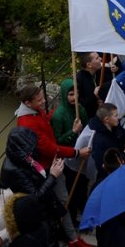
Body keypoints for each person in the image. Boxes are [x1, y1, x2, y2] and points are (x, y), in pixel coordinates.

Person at [14, 84, 93, 247]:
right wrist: (77, 152)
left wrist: (56, 114)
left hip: (51, 164)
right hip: (46, 168)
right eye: (40, 100)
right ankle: (71, 239)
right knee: (61, 200)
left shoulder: (35, 113)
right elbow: (48, 147)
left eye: (43, 97)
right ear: (27, 102)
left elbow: (46, 123)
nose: (44, 101)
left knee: (61, 200)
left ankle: (68, 235)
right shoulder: (27, 123)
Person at [50, 79, 88, 223]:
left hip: (81, 155)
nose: (74, 97)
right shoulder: (58, 115)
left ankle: (82, 212)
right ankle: (71, 219)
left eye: (76, 93)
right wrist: (73, 132)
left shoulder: (81, 109)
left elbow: (85, 130)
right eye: (71, 94)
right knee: (70, 190)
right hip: (67, 159)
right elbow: (57, 141)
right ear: (65, 95)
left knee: (82, 186)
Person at [87, 103, 125, 184]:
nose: (118, 118)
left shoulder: (116, 128)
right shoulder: (99, 140)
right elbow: (104, 167)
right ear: (106, 119)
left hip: (121, 172)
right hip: (109, 180)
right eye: (115, 116)